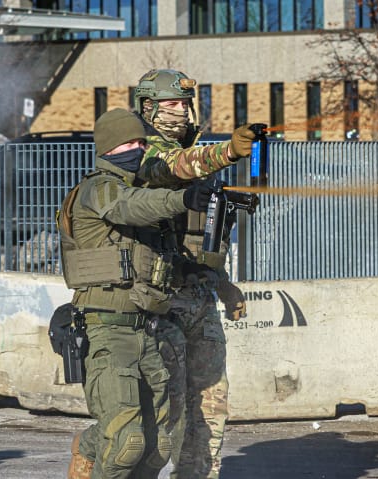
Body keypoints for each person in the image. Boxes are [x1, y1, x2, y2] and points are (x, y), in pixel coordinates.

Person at [59, 107, 215, 479]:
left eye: (142, 142)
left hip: (150, 327)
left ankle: (94, 445)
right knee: (126, 445)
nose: (139, 148)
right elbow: (132, 207)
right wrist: (180, 200)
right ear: (110, 147)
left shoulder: (142, 191)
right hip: (107, 328)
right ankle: (91, 447)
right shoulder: (98, 189)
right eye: (130, 142)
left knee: (158, 445)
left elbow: (163, 253)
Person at [134, 68, 254, 479]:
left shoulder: (193, 153)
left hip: (199, 297)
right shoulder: (141, 152)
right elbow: (175, 167)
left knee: (211, 406)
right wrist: (229, 152)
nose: (182, 110)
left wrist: (222, 284)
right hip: (159, 302)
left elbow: (199, 235)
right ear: (148, 106)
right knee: (161, 412)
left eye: (186, 103)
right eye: (173, 102)